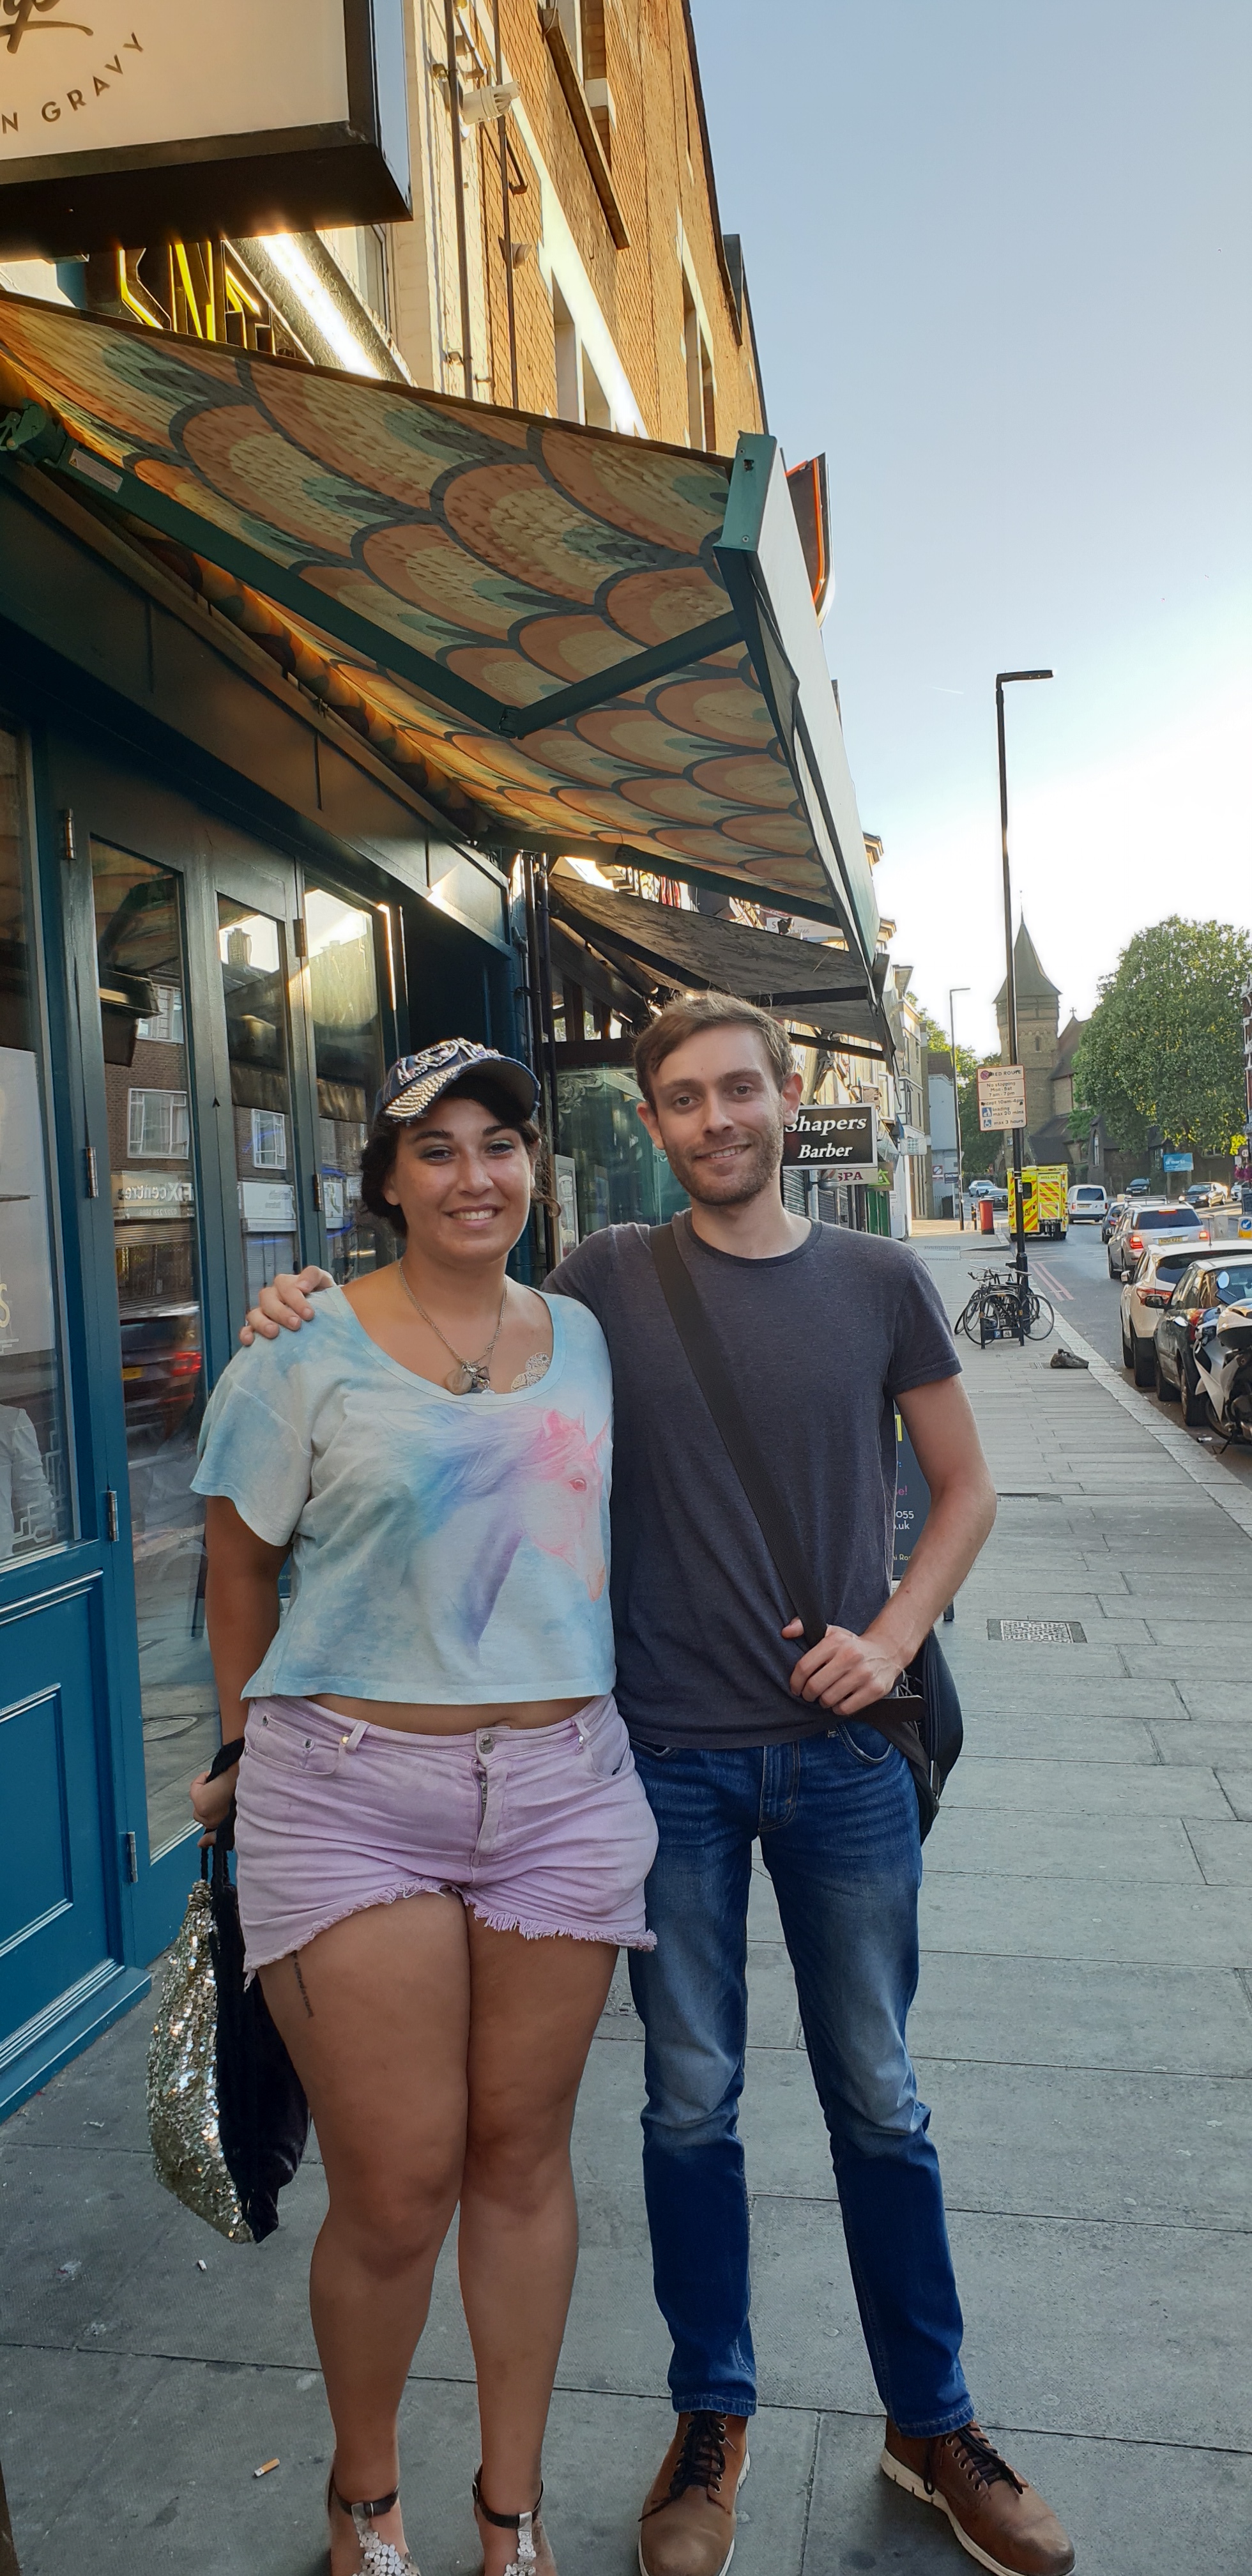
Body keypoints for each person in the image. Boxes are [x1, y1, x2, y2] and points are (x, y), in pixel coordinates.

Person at [243, 996, 1076, 2576]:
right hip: (661, 1763)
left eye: (738, 1091)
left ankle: (932, 2422)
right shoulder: (603, 1285)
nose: (714, 1120)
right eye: (680, 1099)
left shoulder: (881, 1279)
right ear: (651, 1122)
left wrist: (894, 1634)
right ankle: (710, 2421)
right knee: (684, 2108)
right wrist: (300, 1307)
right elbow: (453, 1332)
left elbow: (962, 1489)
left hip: (842, 1764)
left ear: (786, 1101)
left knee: (879, 2102)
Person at [190, 1038, 657, 2576]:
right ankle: (365, 2498)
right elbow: (239, 1570)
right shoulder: (298, 1350)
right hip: (350, 1794)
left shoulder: (584, 1334)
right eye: (437, 1149)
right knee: (393, 2186)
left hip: (560, 1790)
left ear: (533, 1168)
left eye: (500, 1145)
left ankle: (507, 2516)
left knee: (524, 2162)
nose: (475, 1176)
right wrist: (244, 1751)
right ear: (384, 1180)